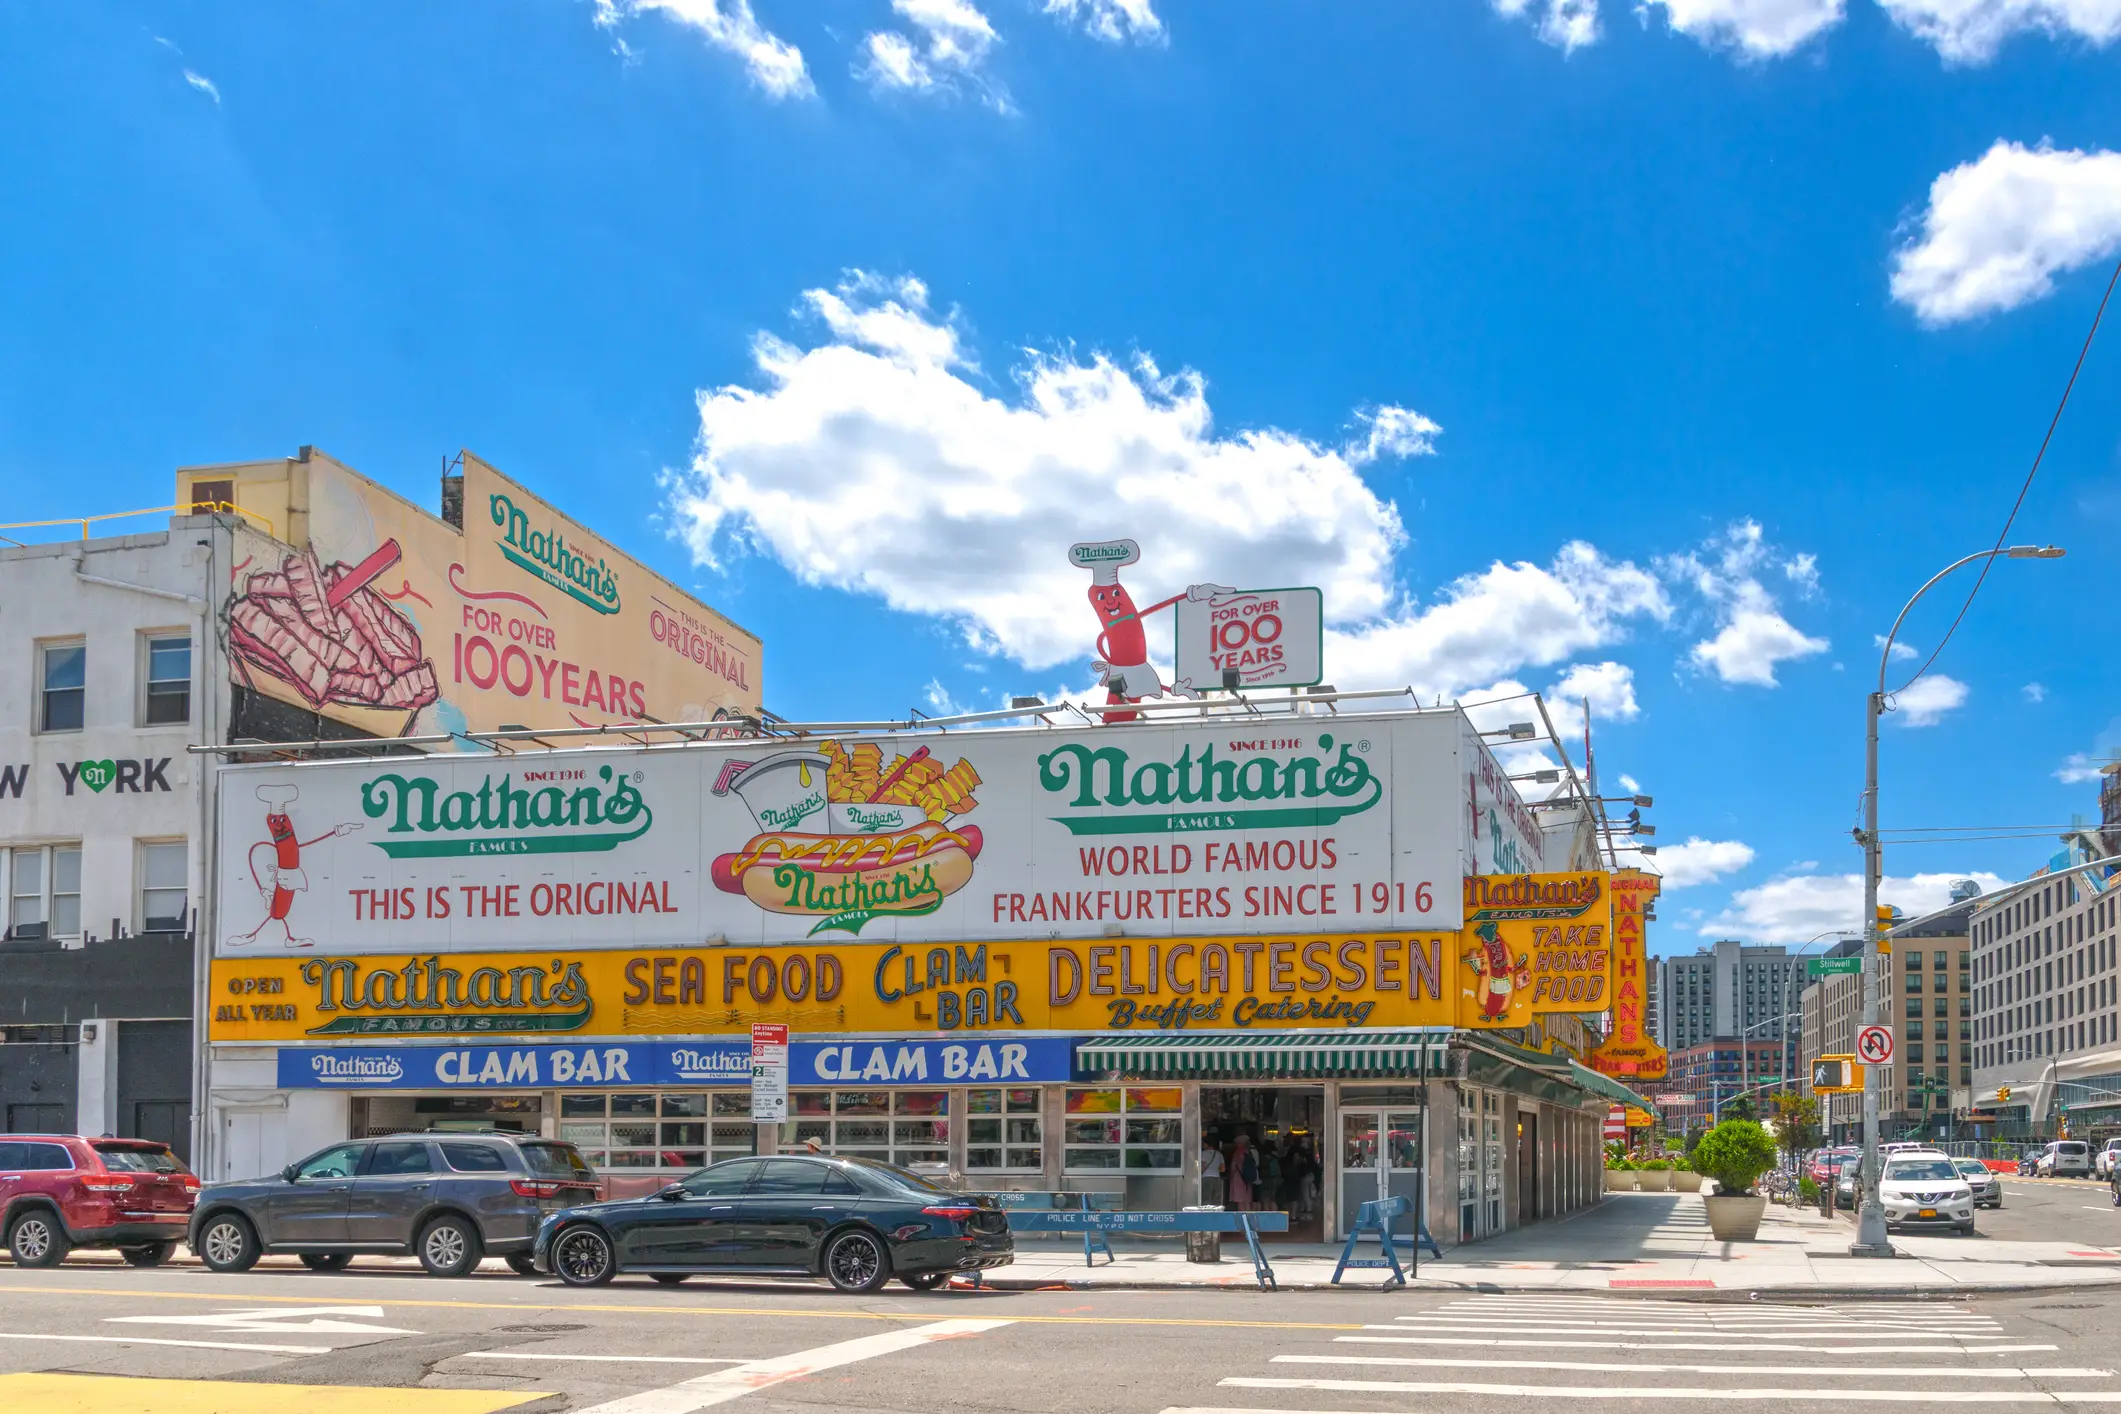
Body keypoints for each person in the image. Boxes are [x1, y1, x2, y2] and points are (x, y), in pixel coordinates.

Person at [1228, 1135, 1256, 1210]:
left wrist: (1231, 1175)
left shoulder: (1238, 1152)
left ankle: (1242, 1218)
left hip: (1238, 1178)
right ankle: (1248, 1218)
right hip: (1247, 1178)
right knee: (1246, 1201)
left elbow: (1233, 1166)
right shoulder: (1248, 1152)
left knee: (1240, 1200)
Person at [1200, 1134, 1226, 1207]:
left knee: (1206, 1199)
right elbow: (1222, 1169)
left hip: (1207, 1178)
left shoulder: (1203, 1154)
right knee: (1217, 1200)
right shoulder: (1219, 1154)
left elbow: (1202, 1167)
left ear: (1206, 1144)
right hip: (1217, 1178)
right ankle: (1216, 1215)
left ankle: (1207, 1216)